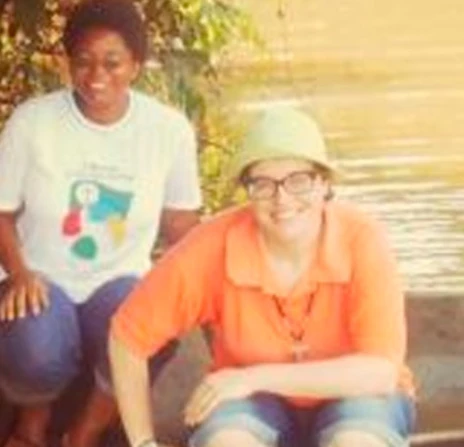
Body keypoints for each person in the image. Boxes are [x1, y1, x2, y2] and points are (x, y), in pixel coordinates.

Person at [109, 106, 415, 447]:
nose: (282, 199)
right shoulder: (213, 245)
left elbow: (380, 372)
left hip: (355, 397)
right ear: (248, 190)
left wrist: (253, 378)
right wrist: (144, 443)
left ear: (324, 184)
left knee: (355, 442)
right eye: (263, 184)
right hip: (249, 403)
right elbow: (127, 336)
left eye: (298, 180)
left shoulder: (362, 238)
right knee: (227, 442)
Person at [0, 0, 202, 446]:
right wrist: (18, 272)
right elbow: (2, 211)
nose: (96, 76)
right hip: (42, 280)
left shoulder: (167, 130)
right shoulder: (33, 122)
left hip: (118, 282)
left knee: (151, 322)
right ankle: (32, 425)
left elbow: (181, 223)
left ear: (136, 65)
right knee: (36, 344)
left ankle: (85, 433)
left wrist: (193, 293)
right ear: (67, 63)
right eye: (83, 61)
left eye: (112, 63)